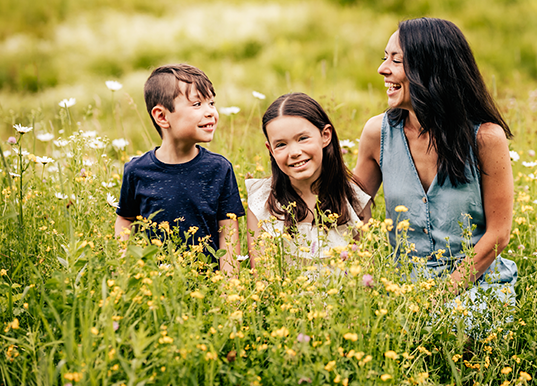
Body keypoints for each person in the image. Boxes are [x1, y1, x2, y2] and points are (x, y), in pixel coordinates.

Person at [354, 17, 518, 312]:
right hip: (403, 286)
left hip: (477, 283)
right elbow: (352, 212)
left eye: (397, 60)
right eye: (384, 58)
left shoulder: (486, 139)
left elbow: (498, 235)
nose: (383, 69)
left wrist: (436, 299)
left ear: (429, 69)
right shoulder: (376, 133)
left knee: (457, 331)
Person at [114, 64, 245, 274]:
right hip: (156, 286)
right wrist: (124, 265)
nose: (210, 112)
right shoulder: (137, 171)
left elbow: (227, 233)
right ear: (162, 117)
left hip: (206, 287)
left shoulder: (219, 169)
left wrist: (229, 288)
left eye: (211, 103)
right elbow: (125, 218)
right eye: (197, 104)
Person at [245, 93, 371, 267]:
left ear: (325, 135)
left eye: (302, 138)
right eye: (281, 144)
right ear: (271, 150)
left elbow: (364, 273)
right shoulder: (262, 202)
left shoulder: (354, 199)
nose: (294, 152)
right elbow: (263, 278)